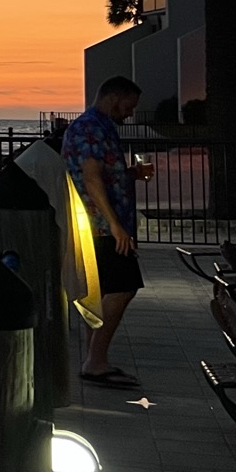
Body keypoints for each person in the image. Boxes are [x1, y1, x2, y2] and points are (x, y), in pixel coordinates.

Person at [63, 75, 153, 389]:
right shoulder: (89, 128)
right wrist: (115, 225)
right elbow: (90, 178)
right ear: (114, 97)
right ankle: (94, 360)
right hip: (99, 225)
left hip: (103, 224)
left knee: (101, 292)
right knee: (124, 286)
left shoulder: (103, 128)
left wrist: (131, 174)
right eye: (128, 106)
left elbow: (103, 174)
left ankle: (95, 360)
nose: (129, 113)